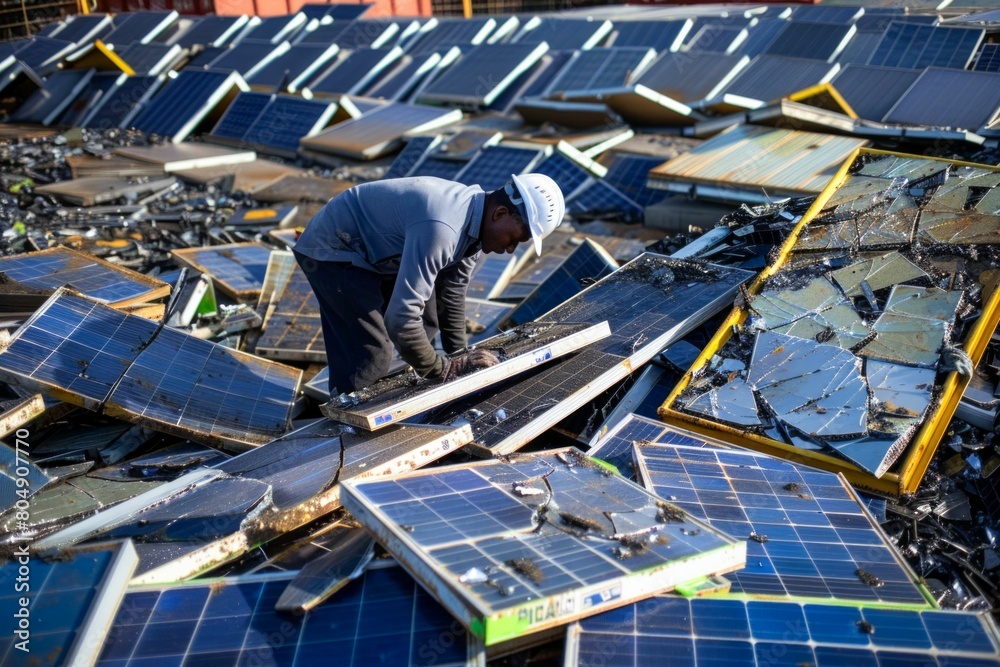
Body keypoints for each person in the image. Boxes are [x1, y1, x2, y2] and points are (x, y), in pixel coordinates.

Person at [293, 173, 565, 398]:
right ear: (500, 213)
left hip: (379, 250)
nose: (509, 249)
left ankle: (402, 388)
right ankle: (346, 416)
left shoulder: (474, 225)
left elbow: (452, 293)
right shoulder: (443, 228)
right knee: (371, 355)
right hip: (334, 248)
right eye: (514, 239)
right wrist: (444, 370)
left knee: (427, 321)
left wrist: (460, 356)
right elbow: (400, 321)